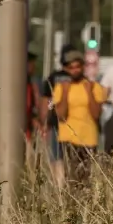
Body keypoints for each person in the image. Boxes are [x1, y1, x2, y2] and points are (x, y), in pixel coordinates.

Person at [52, 50, 107, 185]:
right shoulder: (60, 87)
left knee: (86, 178)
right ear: (66, 69)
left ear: (83, 67)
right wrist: (65, 93)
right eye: (71, 67)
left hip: (88, 138)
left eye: (78, 66)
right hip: (68, 138)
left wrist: (89, 93)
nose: (75, 70)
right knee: (70, 176)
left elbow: (96, 114)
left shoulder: (94, 87)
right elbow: (60, 115)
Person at [41, 45, 76, 185]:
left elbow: (48, 100)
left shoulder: (54, 77)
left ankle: (59, 184)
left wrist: (47, 117)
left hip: (56, 123)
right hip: (75, 123)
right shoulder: (78, 77)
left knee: (57, 157)